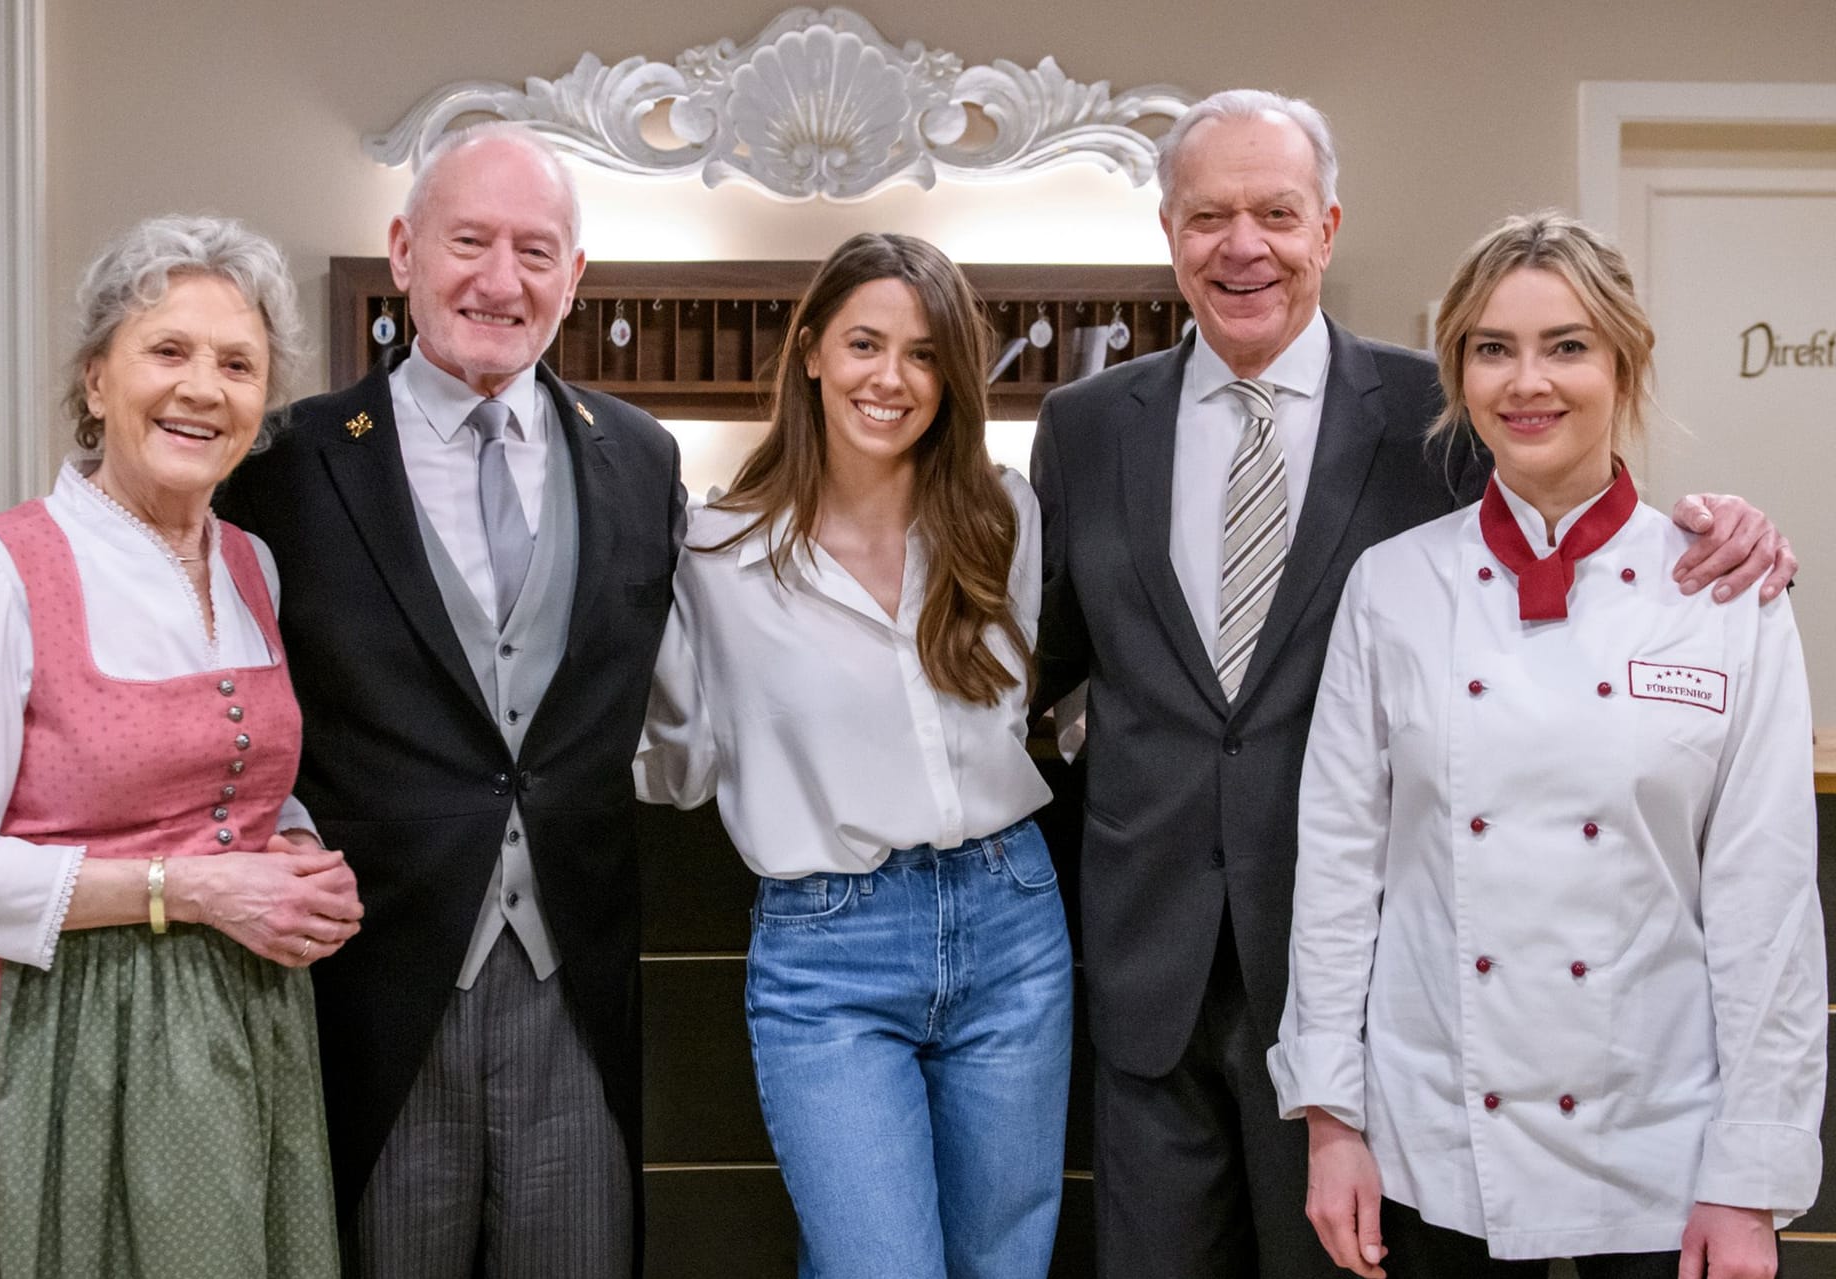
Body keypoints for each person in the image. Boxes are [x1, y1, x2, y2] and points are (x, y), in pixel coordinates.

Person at [1028, 89, 1798, 1278]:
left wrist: (1726, 524)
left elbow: (1562, 499)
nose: (1245, 246)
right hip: (1156, 971)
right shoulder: (1084, 428)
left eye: (1277, 212)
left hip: (1373, 995)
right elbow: (1047, 678)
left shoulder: (1433, 420)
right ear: (1169, 233)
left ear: (1327, 226)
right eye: (1209, 216)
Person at [1270, 210, 1823, 1279]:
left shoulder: (1725, 596)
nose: (1528, 382)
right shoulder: (1393, 588)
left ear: (1626, 363)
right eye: (1493, 348)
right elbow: (1340, 870)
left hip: (1661, 1142)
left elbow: (1767, 903)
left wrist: (1750, 1176)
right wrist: (1332, 1119)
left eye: (1566, 345)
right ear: (1459, 373)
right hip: (1433, 1137)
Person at [215, 121, 683, 1276]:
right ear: (404, 252)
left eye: (536, 250)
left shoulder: (639, 457)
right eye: (469, 239)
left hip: (575, 980)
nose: (500, 278)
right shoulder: (284, 463)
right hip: (372, 985)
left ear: (576, 279)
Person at [0, 213, 362, 1276]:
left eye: (238, 363)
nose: (203, 387)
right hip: (58, 1039)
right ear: (96, 381)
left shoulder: (254, 563)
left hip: (243, 1028)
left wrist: (289, 848)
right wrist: (195, 890)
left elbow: (237, 777)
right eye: (168, 351)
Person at [636, 232, 1073, 1279]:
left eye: (924, 354)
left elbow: (1012, 718)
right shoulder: (713, 553)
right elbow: (679, 761)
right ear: (811, 354)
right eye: (865, 343)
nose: (892, 378)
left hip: (1012, 922)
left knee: (1006, 1265)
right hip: (828, 950)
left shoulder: (1003, 515)